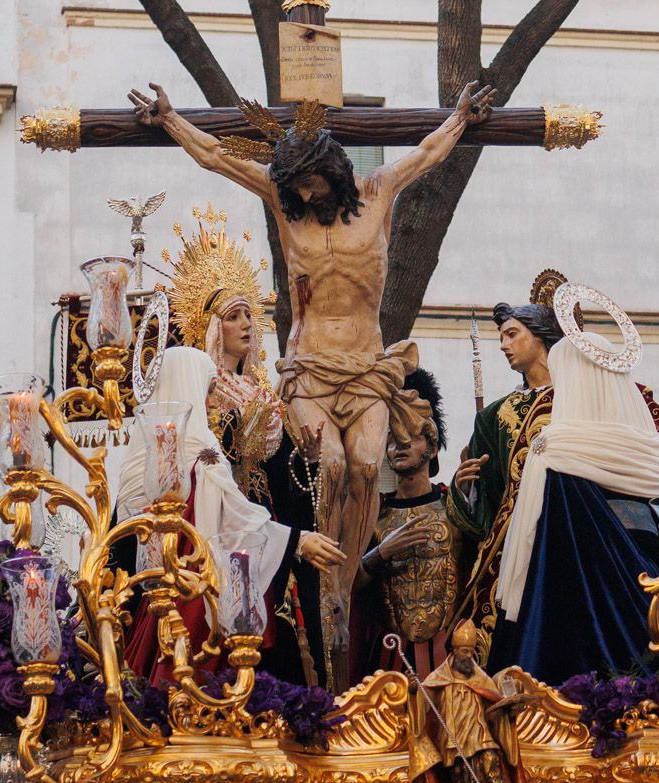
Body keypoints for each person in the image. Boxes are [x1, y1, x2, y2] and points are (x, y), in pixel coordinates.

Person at [129, 80, 493, 689]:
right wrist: (170, 120)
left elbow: (428, 153)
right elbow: (221, 158)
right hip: (309, 368)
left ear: (333, 172)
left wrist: (459, 117)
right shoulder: (283, 202)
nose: (301, 195)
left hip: (367, 364)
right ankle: (329, 588)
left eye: (310, 185)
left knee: (364, 463)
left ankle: (347, 579)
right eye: (294, 187)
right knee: (327, 467)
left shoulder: (378, 194)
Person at [450, 272, 659, 660]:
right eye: (501, 337)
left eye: (512, 334)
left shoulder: (595, 393)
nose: (504, 345)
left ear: (541, 335)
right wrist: (465, 490)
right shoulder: (495, 417)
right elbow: (487, 505)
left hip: (601, 535)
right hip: (518, 544)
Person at [163, 205, 334, 686]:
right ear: (214, 328)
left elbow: (282, 480)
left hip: (266, 527)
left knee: (276, 637)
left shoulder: (263, 394)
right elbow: (206, 466)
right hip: (221, 526)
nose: (246, 325)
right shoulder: (202, 395)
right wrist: (238, 429)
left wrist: (306, 460)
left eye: (249, 315)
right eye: (233, 316)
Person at [114, 347, 344, 682]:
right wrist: (297, 540)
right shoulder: (202, 454)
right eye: (207, 391)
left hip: (158, 602)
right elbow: (234, 521)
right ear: (187, 387)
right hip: (193, 598)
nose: (211, 403)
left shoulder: (143, 457)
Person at [358, 370, 470, 677]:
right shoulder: (373, 513)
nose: (400, 445)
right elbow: (347, 585)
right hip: (390, 658)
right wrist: (381, 553)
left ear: (432, 448)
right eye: (393, 439)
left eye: (412, 437)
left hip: (451, 656)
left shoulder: (454, 506)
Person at [409, 620, 521, 783]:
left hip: (479, 731)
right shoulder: (439, 678)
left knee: (490, 758)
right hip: (454, 734)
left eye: (470, 652)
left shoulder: (481, 679)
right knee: (461, 770)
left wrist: (508, 709)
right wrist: (415, 691)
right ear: (453, 652)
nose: (467, 657)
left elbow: (495, 706)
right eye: (463, 652)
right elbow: (424, 702)